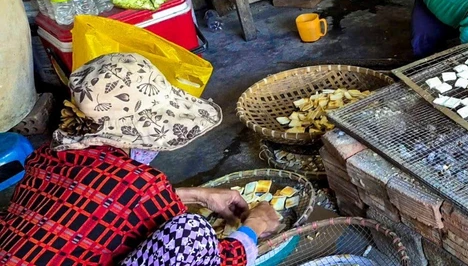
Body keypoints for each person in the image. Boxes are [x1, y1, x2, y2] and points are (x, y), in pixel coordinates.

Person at [0, 53, 282, 265]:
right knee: (192, 232)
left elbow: (103, 208)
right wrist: (253, 226)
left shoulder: (46, 158)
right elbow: (214, 259)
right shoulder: (140, 185)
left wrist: (195, 195)